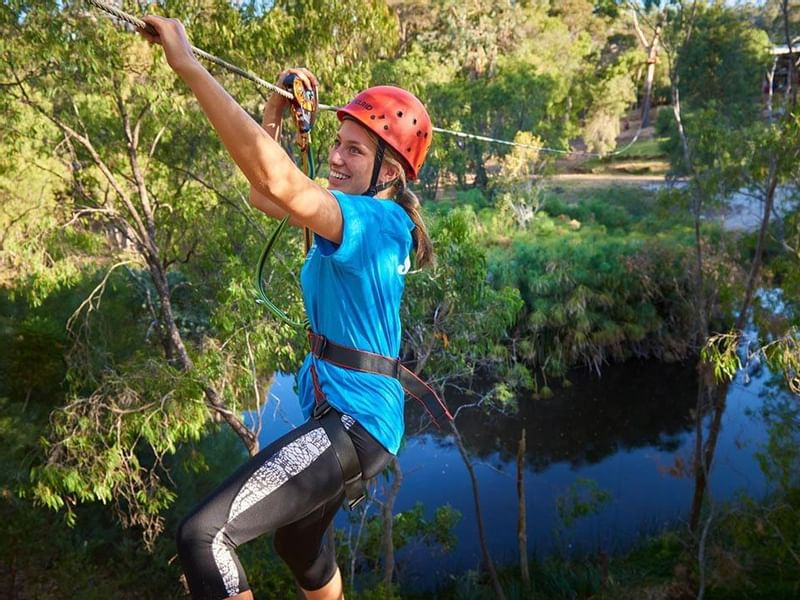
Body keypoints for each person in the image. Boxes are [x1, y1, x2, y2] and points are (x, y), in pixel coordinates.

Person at [139, 15, 438, 600]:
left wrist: (189, 67)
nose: (336, 157)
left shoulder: (380, 222)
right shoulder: (353, 215)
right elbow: (265, 192)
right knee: (298, 546)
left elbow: (280, 188)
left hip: (355, 425)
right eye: (338, 143)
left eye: (355, 150)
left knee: (203, 537)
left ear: (391, 172)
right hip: (354, 422)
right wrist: (272, 114)